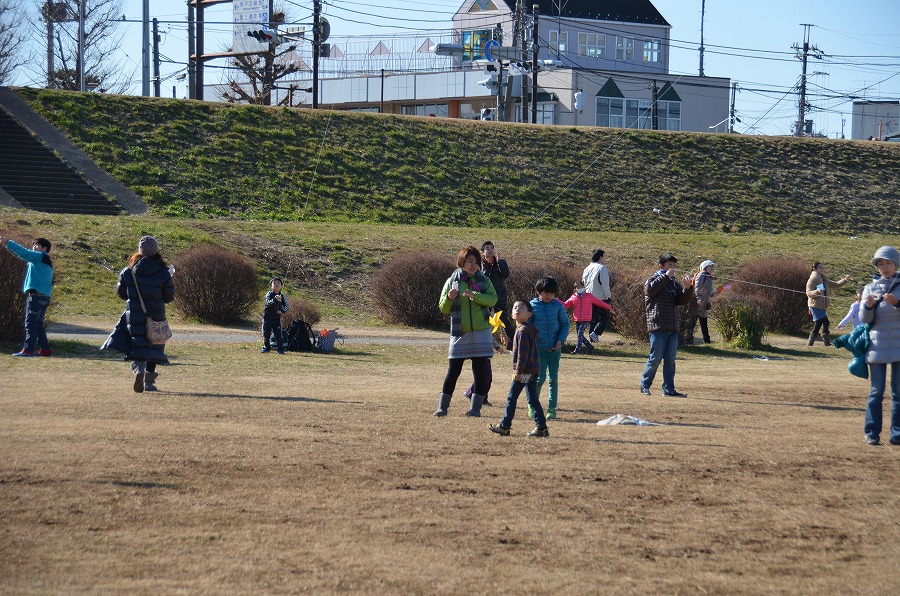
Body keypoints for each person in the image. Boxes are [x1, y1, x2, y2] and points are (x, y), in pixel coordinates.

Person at [101, 236, 175, 393]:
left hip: (134, 314)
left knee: (138, 342)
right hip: (156, 316)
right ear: (156, 251)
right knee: (154, 344)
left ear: (140, 251)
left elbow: (121, 293)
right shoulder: (163, 273)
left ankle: (138, 368)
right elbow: (169, 298)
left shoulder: (128, 272)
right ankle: (149, 380)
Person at [434, 246, 498, 417]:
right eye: (470, 261)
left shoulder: (484, 280)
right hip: (459, 332)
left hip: (481, 331)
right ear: (462, 262)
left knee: (480, 372)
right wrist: (449, 298)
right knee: (453, 371)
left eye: (476, 262)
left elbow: (493, 299)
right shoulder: (452, 281)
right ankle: (442, 408)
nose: (473, 265)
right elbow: (443, 308)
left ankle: (475, 409)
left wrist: (475, 295)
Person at [859, 246, 900, 446]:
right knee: (876, 391)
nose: (885, 267)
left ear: (896, 265)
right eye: (880, 264)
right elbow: (864, 319)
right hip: (877, 346)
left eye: (888, 263)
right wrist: (867, 306)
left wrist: (898, 303)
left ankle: (897, 434)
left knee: (899, 393)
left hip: (899, 346)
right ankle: (871, 433)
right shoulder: (869, 288)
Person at [489, 300, 549, 437]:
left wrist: (518, 372)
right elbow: (521, 348)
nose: (517, 309)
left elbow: (523, 354)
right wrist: (509, 344)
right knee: (533, 400)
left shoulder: (522, 331)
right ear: (511, 313)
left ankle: (505, 426)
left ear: (529, 314)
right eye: (515, 307)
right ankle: (542, 427)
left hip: (525, 371)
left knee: (512, 397)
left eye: (521, 308)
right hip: (532, 370)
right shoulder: (525, 329)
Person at [640, 253, 695, 397]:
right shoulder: (652, 279)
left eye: (674, 266)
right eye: (670, 265)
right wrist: (665, 277)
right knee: (655, 359)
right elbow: (650, 291)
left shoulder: (673, 283)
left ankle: (669, 389)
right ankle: (645, 385)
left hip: (673, 327)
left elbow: (681, 300)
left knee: (670, 361)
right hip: (658, 325)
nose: (673, 269)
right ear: (661, 266)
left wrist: (688, 289)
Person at [0, 235, 54, 357]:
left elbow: (23, 253)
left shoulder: (40, 257)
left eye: (37, 245)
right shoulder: (44, 260)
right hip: (44, 297)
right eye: (33, 245)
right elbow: (26, 255)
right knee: (38, 324)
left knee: (30, 323)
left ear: (44, 249)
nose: (33, 247)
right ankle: (45, 350)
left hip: (36, 297)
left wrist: (8, 242)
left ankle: (28, 350)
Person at [529, 276, 569, 420]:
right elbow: (527, 326)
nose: (549, 296)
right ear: (538, 291)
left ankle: (552, 409)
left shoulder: (558, 306)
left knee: (553, 379)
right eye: (546, 293)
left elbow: (565, 325)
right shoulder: (532, 306)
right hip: (538, 350)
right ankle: (533, 405)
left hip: (554, 350)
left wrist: (560, 340)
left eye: (552, 293)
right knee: (539, 379)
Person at [805, 262, 851, 346]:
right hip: (814, 305)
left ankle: (811, 343)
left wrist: (845, 279)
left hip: (822, 306)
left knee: (818, 324)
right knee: (826, 322)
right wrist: (818, 292)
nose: (822, 269)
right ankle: (826, 342)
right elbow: (808, 293)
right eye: (819, 267)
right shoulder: (812, 280)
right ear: (814, 269)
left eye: (822, 267)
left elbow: (835, 285)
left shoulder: (823, 278)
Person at [563, 280, 612, 354]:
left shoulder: (589, 296)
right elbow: (565, 305)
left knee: (580, 335)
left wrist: (608, 307)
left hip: (585, 319)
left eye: (581, 287)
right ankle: (590, 347)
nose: (580, 289)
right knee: (580, 336)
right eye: (578, 287)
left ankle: (577, 350)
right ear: (575, 289)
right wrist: (555, 300)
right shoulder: (573, 297)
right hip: (577, 319)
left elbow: (599, 302)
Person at [687, 260, 720, 345]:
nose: (712, 269)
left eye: (712, 267)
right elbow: (697, 288)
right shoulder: (702, 274)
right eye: (710, 266)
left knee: (703, 322)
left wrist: (721, 289)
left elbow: (710, 291)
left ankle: (706, 341)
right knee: (693, 322)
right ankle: (689, 340)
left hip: (703, 303)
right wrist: (699, 299)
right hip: (698, 303)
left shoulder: (708, 276)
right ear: (705, 267)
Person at [582, 249, 611, 343]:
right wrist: (608, 296)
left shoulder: (586, 268)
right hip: (601, 297)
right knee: (604, 317)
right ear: (600, 257)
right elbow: (605, 284)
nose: (604, 259)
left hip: (588, 297)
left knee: (593, 320)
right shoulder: (602, 268)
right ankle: (596, 333)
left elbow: (583, 282)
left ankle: (591, 342)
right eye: (604, 257)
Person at [261, 277, 290, 354]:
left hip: (276, 319)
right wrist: (274, 299)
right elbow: (267, 303)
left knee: (278, 335)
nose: (276, 285)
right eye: (274, 283)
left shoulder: (282, 296)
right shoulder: (269, 294)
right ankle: (266, 347)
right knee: (266, 334)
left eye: (278, 283)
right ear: (271, 286)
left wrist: (282, 311)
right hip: (267, 318)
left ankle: (280, 349)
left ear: (281, 286)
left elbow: (287, 306)